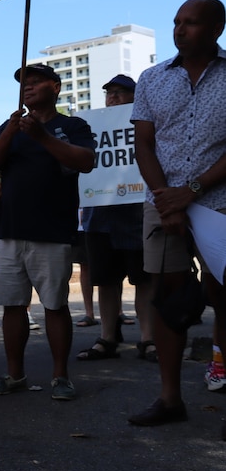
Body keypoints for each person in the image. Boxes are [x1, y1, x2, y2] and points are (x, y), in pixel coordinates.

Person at [128, 0, 226, 430]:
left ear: (216, 29)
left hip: (220, 205)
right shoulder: (151, 79)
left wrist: (192, 191)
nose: (179, 29)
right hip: (163, 208)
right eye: (176, 22)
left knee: (225, 299)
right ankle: (170, 399)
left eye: (191, 23)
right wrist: (164, 197)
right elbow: (144, 145)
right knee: (167, 300)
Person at [0, 63, 95, 401]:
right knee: (12, 306)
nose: (28, 88)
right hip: (10, 230)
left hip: (53, 230)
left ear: (56, 87)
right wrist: (10, 132)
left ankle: (60, 376)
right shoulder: (12, 125)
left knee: (55, 305)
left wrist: (41, 137)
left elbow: (85, 161)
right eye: (23, 84)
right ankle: (14, 374)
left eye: (35, 82)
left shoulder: (72, 125)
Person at [76, 75, 155, 362]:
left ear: (135, 97)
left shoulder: (146, 126)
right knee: (106, 280)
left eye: (121, 93)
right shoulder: (90, 127)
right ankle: (108, 337)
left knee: (144, 279)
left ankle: (148, 338)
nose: (114, 98)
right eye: (110, 93)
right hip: (101, 215)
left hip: (138, 213)